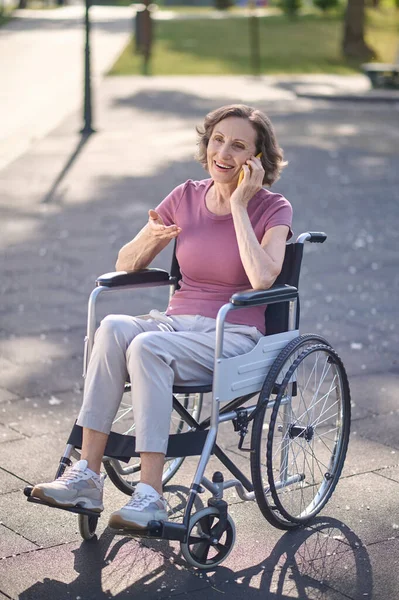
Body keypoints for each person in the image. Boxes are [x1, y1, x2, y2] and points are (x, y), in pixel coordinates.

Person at [31, 104, 293, 531]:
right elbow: (124, 261)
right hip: (176, 325)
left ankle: (149, 494)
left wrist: (241, 207)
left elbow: (263, 278)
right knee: (113, 327)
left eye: (239, 145)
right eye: (218, 140)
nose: (223, 152)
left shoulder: (272, 208)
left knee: (147, 345)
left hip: (234, 333)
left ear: (257, 160)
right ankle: (86, 475)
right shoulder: (185, 195)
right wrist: (151, 241)